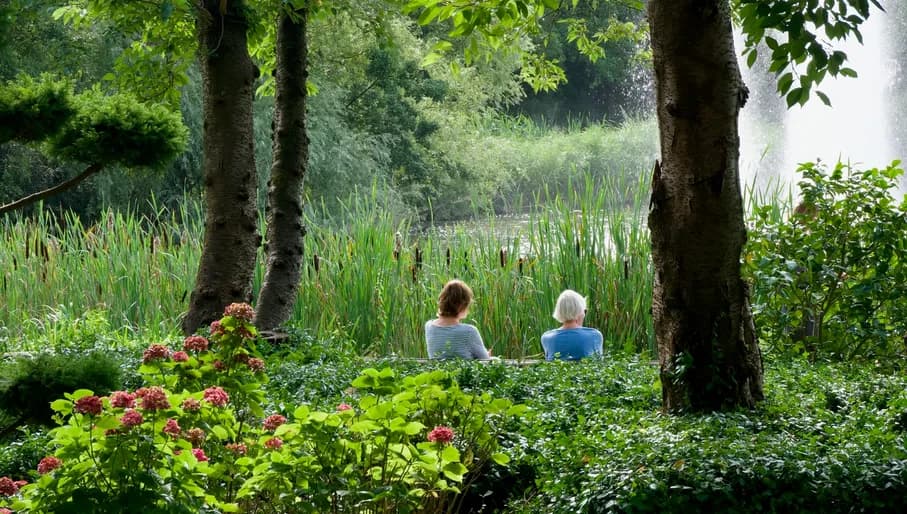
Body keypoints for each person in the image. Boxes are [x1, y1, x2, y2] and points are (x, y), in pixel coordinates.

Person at [425, 279, 492, 360]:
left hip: (436, 372)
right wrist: (487, 355)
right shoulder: (469, 331)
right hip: (462, 372)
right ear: (462, 305)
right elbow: (485, 360)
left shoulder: (429, 326)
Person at [541, 289, 603, 361]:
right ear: (579, 311)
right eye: (584, 311)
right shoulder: (595, 335)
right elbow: (599, 363)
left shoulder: (546, 338)